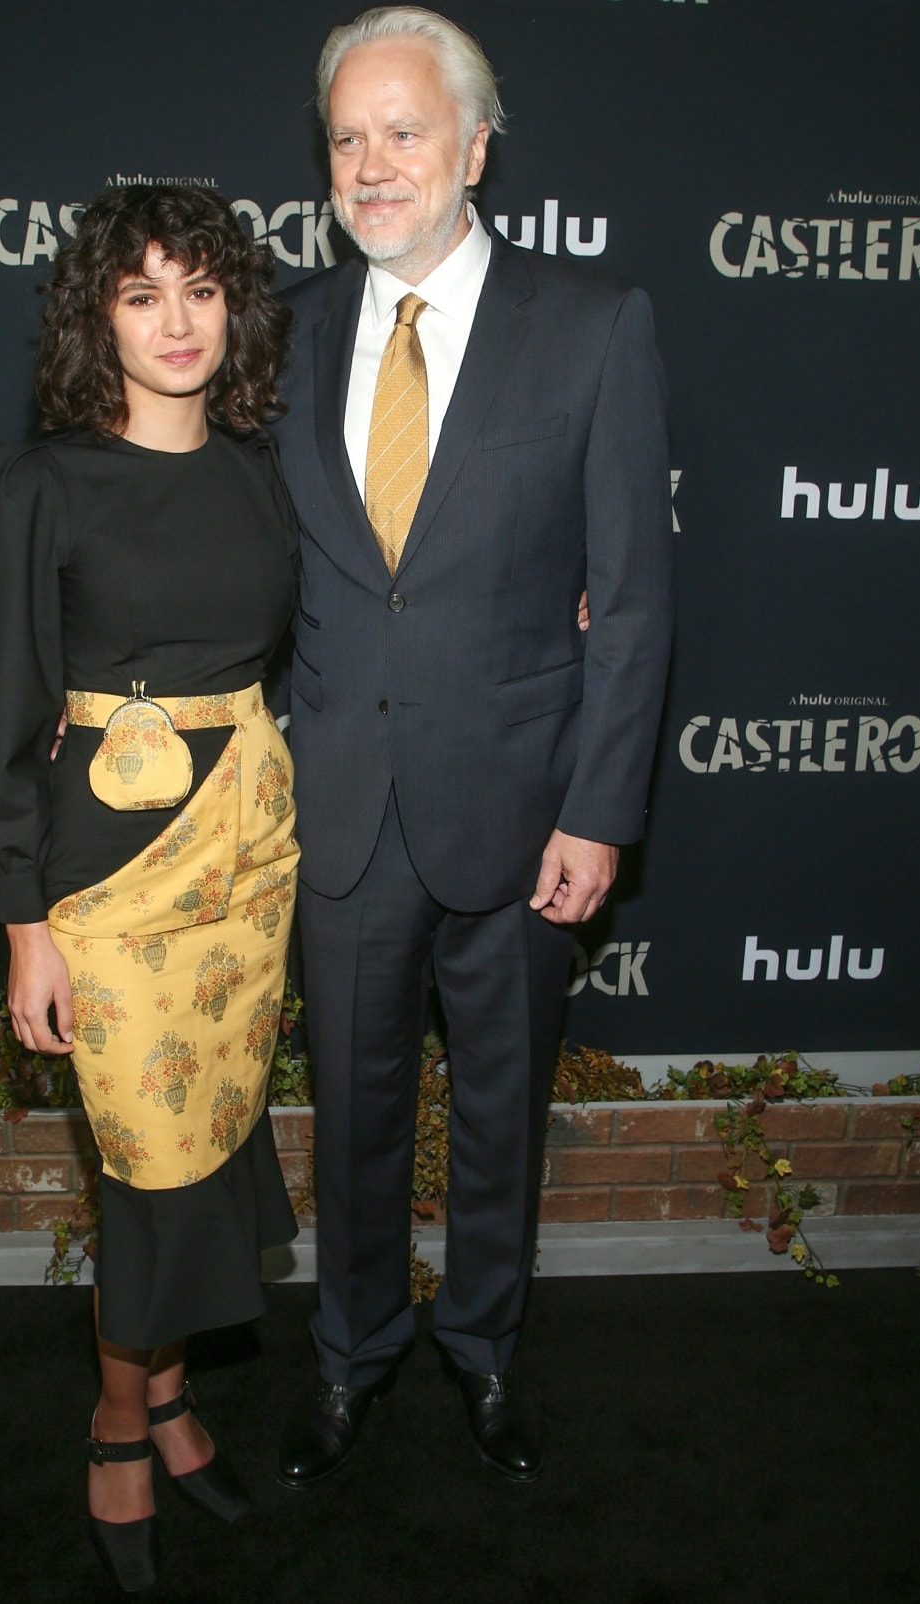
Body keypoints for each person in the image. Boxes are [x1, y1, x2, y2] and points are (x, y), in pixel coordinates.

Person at [272, 7, 674, 1487]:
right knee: (354, 1119)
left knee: (502, 1113)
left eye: (405, 132)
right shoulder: (291, 332)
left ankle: (489, 1354)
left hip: (522, 815)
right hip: (343, 817)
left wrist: (600, 810)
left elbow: (631, 603)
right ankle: (351, 1356)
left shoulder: (593, 327)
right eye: (348, 139)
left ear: (476, 148)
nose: (374, 166)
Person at [0, 184, 300, 1593]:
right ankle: (117, 1424)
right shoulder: (40, 479)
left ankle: (167, 1397)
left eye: (202, 290)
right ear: (94, 317)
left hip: (247, 854)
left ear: (236, 308)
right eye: (141, 293)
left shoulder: (256, 468)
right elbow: (0, 720)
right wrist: (25, 923)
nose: (177, 323)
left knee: (213, 1143)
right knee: (149, 1176)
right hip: (110, 873)